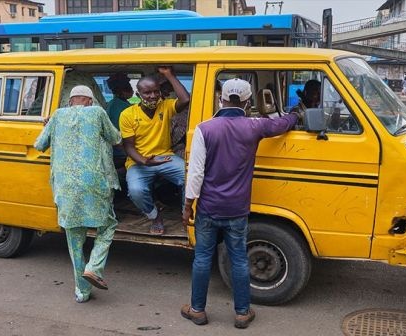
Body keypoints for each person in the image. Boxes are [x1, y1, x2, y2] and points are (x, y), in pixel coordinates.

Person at [180, 79, 301, 329]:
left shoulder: (205, 129)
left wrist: (188, 205)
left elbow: (196, 174)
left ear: (221, 99)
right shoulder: (254, 126)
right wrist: (295, 114)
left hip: (208, 208)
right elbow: (282, 123)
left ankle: (197, 310)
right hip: (237, 209)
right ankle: (242, 313)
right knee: (238, 259)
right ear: (247, 102)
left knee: (202, 258)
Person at [34, 85, 122, 303]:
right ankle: (94, 267)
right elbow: (115, 138)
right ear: (89, 101)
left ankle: (82, 292)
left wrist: (50, 126)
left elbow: (39, 145)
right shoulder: (97, 112)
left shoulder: (57, 115)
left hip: (64, 188)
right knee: (107, 225)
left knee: (75, 240)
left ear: (70, 101)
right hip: (93, 183)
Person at [119, 66, 190, 235]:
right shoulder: (127, 114)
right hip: (139, 162)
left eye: (156, 92)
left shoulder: (166, 106)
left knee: (190, 179)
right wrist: (145, 161)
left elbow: (186, 99)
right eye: (147, 93)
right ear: (138, 95)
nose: (152, 96)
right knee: (136, 191)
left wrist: (169, 75)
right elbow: (128, 146)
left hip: (165, 157)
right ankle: (154, 216)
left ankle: (186, 215)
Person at [106, 72, 134, 168]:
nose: (131, 89)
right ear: (121, 90)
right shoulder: (117, 106)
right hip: (120, 151)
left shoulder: (118, 103)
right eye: (128, 86)